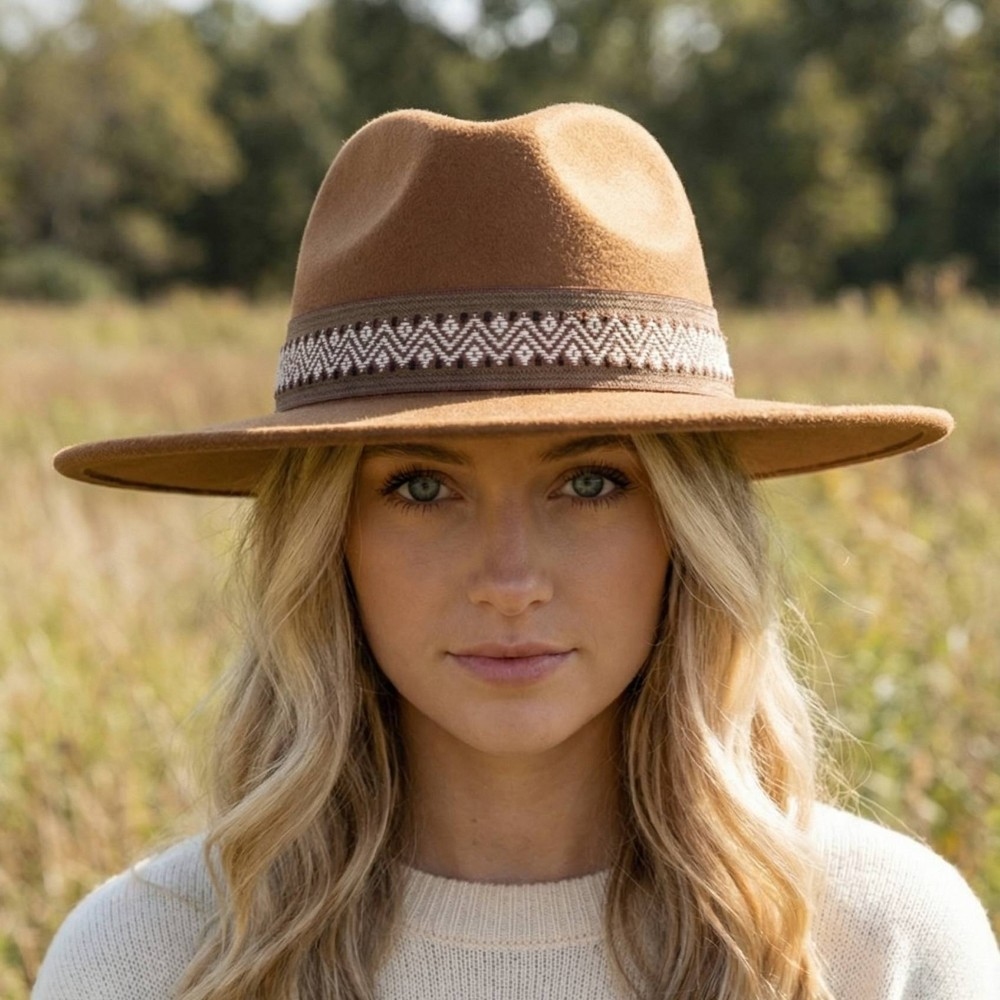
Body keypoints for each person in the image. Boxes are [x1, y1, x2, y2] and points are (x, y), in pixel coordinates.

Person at [34, 104, 997, 1000]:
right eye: (420, 487)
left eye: (589, 484)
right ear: (328, 539)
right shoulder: (155, 959)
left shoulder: (877, 944)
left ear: (690, 529)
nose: (509, 581)